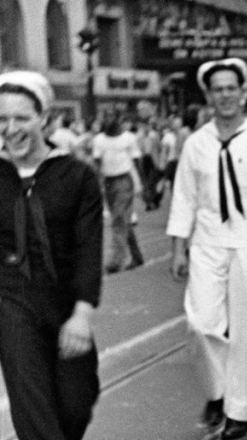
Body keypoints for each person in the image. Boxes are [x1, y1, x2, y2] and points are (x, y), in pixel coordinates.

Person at [166, 58, 247, 440]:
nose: (225, 95)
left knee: (245, 330)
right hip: (206, 242)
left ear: (242, 92)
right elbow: (184, 198)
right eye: (217, 89)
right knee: (201, 323)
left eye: (231, 88)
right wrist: (178, 248)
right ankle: (218, 393)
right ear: (208, 95)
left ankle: (239, 411)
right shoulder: (196, 144)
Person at [0, 71, 102, 440]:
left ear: (43, 118)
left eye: (21, 118)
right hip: (11, 301)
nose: (11, 129)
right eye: (1, 119)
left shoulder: (76, 176)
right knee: (33, 408)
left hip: (65, 301)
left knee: (76, 402)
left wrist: (82, 314)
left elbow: (89, 247)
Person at [92, 115, 145, 273]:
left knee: (118, 219)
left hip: (123, 180)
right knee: (122, 220)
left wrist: (142, 181)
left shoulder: (129, 138)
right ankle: (137, 256)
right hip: (108, 180)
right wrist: (97, 182)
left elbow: (136, 160)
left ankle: (116, 260)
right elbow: (97, 162)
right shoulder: (99, 140)